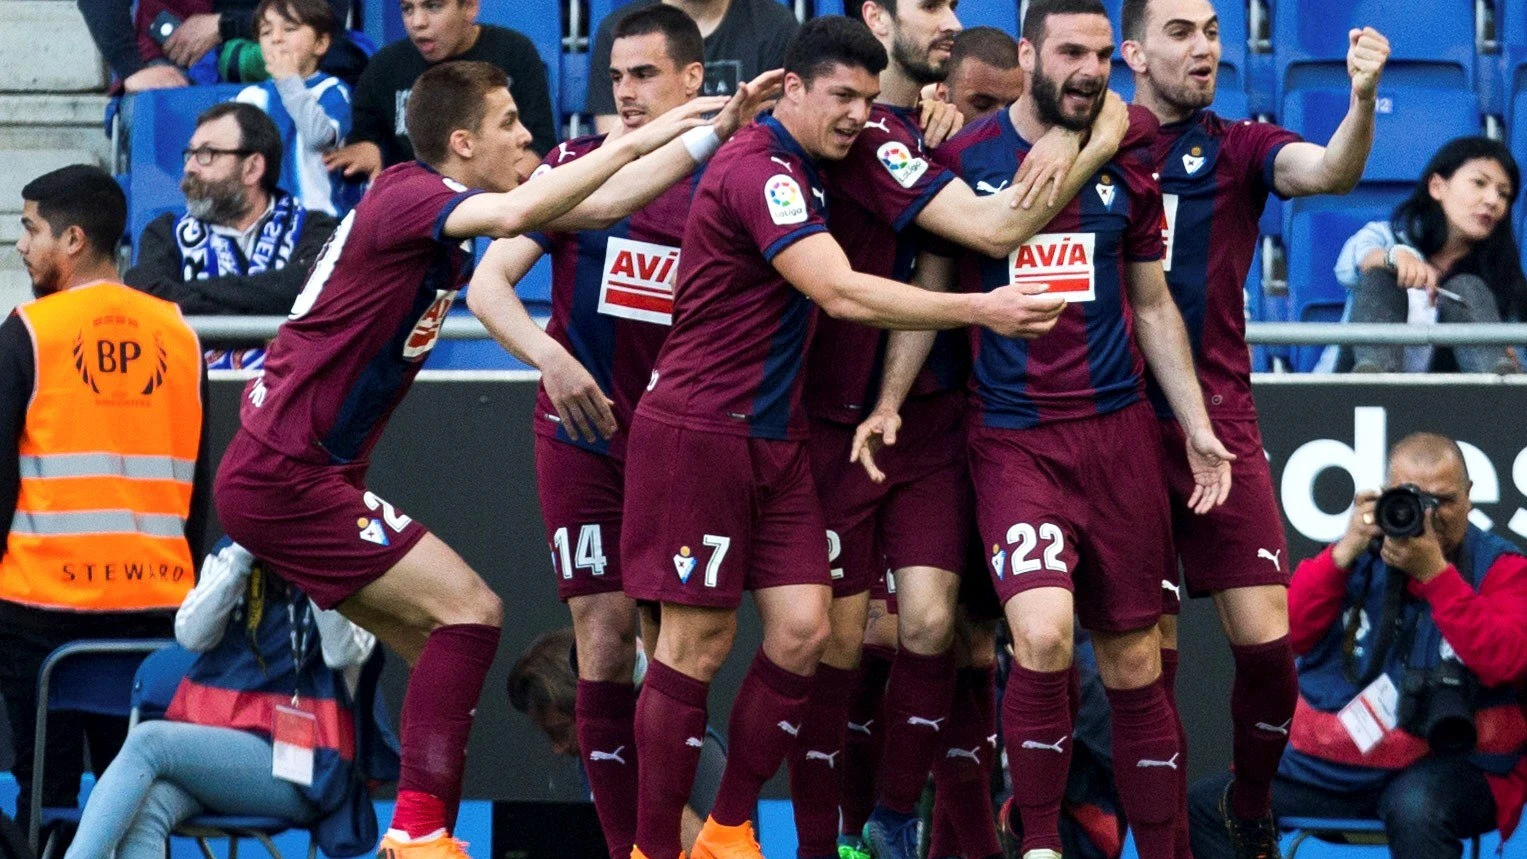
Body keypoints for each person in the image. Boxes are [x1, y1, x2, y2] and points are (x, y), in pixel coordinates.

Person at [212, 58, 717, 859]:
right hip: (286, 472)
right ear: (461, 142)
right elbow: (527, 207)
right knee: (472, 610)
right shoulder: (412, 195)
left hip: (297, 471)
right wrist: (645, 132)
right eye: (510, 123)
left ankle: (413, 831)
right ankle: (419, 835)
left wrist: (703, 133)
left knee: (438, 642)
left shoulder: (430, 209)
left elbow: (607, 201)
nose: (527, 134)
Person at [619, 15, 1068, 859]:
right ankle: (653, 848)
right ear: (789, 89)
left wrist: (1102, 121)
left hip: (775, 434)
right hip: (699, 429)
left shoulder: (843, 153)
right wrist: (980, 308)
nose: (858, 114)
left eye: (868, 98)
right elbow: (839, 291)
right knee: (692, 646)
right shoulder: (759, 168)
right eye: (840, 97)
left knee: (802, 631)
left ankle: (726, 830)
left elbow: (976, 222)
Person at [863, 1, 1237, 856]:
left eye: (1102, 54)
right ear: (1029, 51)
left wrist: (1195, 422)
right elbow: (927, 292)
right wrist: (890, 399)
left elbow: (1149, 302)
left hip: (1115, 439)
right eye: (1069, 51)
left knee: (1137, 664)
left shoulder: (1129, 154)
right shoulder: (962, 162)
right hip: (1012, 439)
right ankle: (1034, 842)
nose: (1087, 69)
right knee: (1037, 636)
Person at [806, 0, 1134, 855]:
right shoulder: (888, 141)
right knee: (841, 640)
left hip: (963, 421)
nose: (993, 126)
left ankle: (931, 831)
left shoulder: (948, 144)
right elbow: (980, 234)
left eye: (1003, 106)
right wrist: (1088, 141)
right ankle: (841, 829)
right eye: (976, 106)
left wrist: (1076, 135)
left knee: (956, 636)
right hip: (842, 413)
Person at [466, 7, 777, 857]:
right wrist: (550, 360)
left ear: (691, 80)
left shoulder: (736, 179)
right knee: (601, 640)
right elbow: (488, 287)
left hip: (681, 441)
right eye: (615, 79)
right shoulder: (572, 167)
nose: (627, 93)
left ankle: (696, 831)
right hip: (579, 434)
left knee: (675, 655)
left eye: (644, 76)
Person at [1118, 0, 1392, 854]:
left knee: (1268, 653)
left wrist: (1358, 101)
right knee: (1144, 661)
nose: (1203, 48)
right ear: (1131, 51)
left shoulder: (1238, 145)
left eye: (1209, 30)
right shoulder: (1095, 145)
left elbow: (1330, 174)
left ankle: (1246, 803)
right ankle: (1160, 840)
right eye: (1179, 33)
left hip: (1220, 420)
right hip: (1115, 421)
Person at [1189, 432, 1527, 859]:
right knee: (1211, 805)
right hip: (1339, 768)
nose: (1429, 515)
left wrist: (1436, 576)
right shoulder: (1358, 556)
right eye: (1412, 499)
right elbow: (1286, 634)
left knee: (1414, 808)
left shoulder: (1502, 567)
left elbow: (1508, 661)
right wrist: (1342, 552)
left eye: (1443, 500)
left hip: (1449, 764)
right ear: (1384, 496)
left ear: (1469, 497)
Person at [3, 164, 208, 835]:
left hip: (42, 610)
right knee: (138, 804)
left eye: (30, 229)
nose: (21, 245)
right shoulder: (180, 334)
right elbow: (198, 488)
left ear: (72, 240)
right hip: (158, 608)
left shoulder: (29, 331)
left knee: (48, 802)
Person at [62, 540, 397, 859]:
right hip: (225, 759)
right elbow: (190, 634)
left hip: (308, 769)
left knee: (148, 741)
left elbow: (343, 652)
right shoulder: (234, 554)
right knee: (148, 806)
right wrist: (242, 554)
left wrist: (310, 559)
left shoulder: (344, 557)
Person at [124, 102, 339, 369]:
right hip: (196, 399)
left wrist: (186, 294)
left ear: (252, 168)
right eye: (190, 154)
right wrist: (272, 300)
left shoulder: (317, 229)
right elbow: (149, 298)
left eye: (206, 153)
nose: (190, 166)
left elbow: (309, 288)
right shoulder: (164, 232)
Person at [507, 628, 728, 857]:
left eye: (561, 732)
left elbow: (717, 856)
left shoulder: (699, 751)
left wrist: (636, 775)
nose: (558, 748)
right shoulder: (594, 760)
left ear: (591, 710)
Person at [1332, 136, 1525, 374]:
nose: (1492, 200)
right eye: (1479, 183)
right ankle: (1374, 381)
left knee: (1467, 288)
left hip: (1448, 404)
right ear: (1437, 186)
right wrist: (1396, 258)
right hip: (1354, 395)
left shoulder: (1502, 280)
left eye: (1503, 194)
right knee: (1381, 276)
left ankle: (1498, 384)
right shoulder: (1387, 236)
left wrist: (1516, 362)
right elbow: (1349, 265)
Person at [324, 0, 556, 182]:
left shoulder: (513, 52)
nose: (417, 22)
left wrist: (488, 201)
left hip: (499, 203)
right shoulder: (385, 66)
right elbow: (365, 139)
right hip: (418, 211)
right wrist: (369, 149)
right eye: (407, 8)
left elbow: (539, 145)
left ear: (469, 7)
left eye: (433, 6)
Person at [588, 0, 799, 133]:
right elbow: (615, 142)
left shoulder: (775, 26)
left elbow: (776, 136)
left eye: (644, 74)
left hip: (734, 182)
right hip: (647, 185)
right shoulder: (622, 31)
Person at [235, 0, 358, 217]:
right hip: (264, 221)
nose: (276, 38)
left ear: (320, 43)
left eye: (290, 29)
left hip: (318, 219)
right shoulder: (250, 97)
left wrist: (289, 82)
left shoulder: (332, 90)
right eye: (266, 32)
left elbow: (319, 138)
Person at [934, 27, 1023, 122]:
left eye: (1012, 108)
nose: (1000, 122)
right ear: (943, 96)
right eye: (982, 105)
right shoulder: (919, 130)